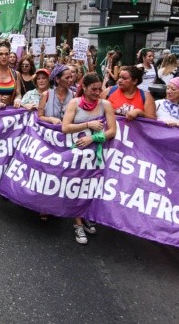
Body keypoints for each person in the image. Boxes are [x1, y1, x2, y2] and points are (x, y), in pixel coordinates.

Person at [62, 73, 117, 244]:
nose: (97, 92)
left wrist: (92, 138)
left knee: (91, 187)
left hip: (96, 155)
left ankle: (86, 215)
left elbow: (112, 131)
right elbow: (65, 127)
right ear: (84, 88)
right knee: (76, 187)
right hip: (76, 154)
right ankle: (77, 223)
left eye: (99, 89)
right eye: (93, 89)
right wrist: (88, 125)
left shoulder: (105, 104)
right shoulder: (74, 103)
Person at [0, 41, 22, 107]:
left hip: (10, 112)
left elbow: (18, 94)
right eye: (1, 54)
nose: (4, 56)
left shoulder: (16, 74)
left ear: (9, 55)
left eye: (6, 54)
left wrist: (17, 99)